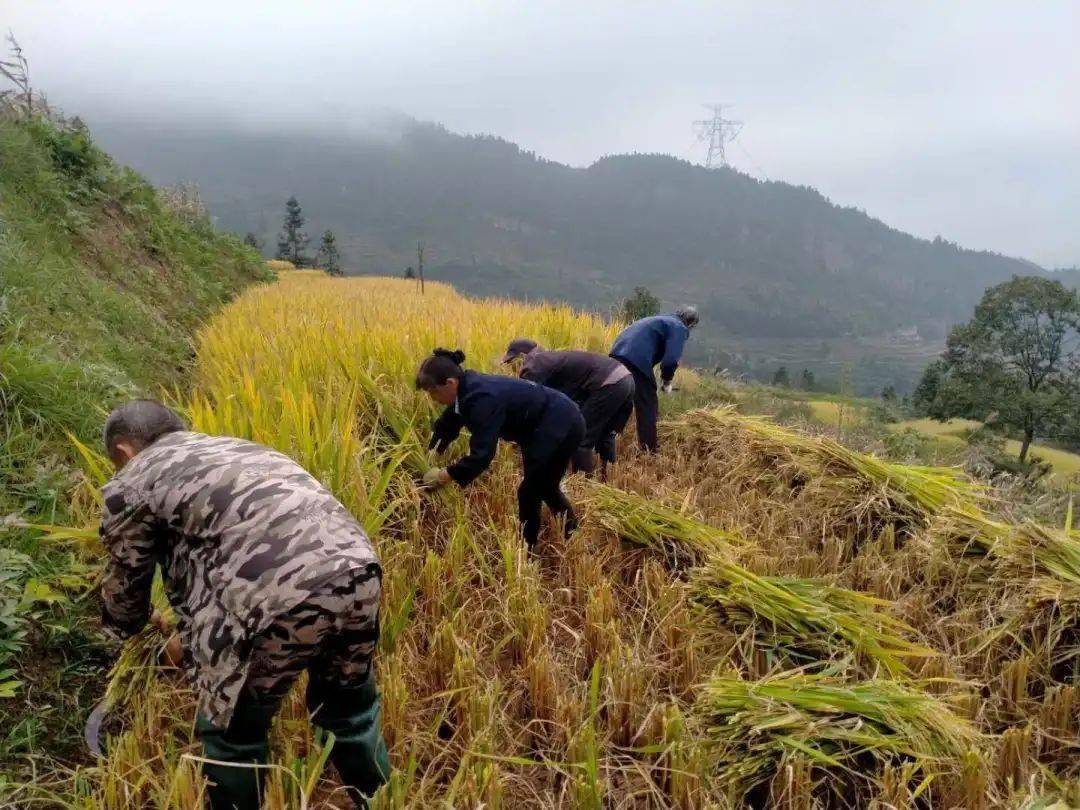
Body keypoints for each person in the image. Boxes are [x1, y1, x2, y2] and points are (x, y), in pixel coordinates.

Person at [97, 400, 389, 810]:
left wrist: (131, 627)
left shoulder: (134, 479)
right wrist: (189, 634)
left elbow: (127, 583)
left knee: (233, 733)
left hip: (275, 597)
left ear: (124, 451)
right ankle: (383, 798)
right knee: (349, 708)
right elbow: (219, 559)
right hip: (359, 572)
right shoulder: (238, 449)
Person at [417, 348, 585, 549]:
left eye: (432, 391)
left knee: (531, 491)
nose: (432, 398)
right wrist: (432, 452)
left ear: (450, 383)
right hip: (547, 424)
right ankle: (572, 532)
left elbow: (482, 455)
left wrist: (445, 475)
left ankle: (527, 550)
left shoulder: (481, 399)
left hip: (561, 424)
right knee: (545, 486)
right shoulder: (466, 390)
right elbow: (449, 423)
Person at [501, 338, 634, 477]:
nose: (512, 367)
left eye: (511, 362)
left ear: (522, 356)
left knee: (582, 437)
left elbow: (527, 406)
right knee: (606, 433)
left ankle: (584, 485)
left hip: (609, 382)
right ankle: (607, 477)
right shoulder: (550, 360)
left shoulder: (534, 365)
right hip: (625, 378)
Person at [609, 306, 700, 452]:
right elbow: (670, 361)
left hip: (616, 353)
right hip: (635, 359)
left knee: (621, 398)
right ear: (691, 324)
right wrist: (667, 382)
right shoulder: (679, 327)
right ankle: (648, 450)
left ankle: (606, 437)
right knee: (647, 403)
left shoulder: (661, 320)